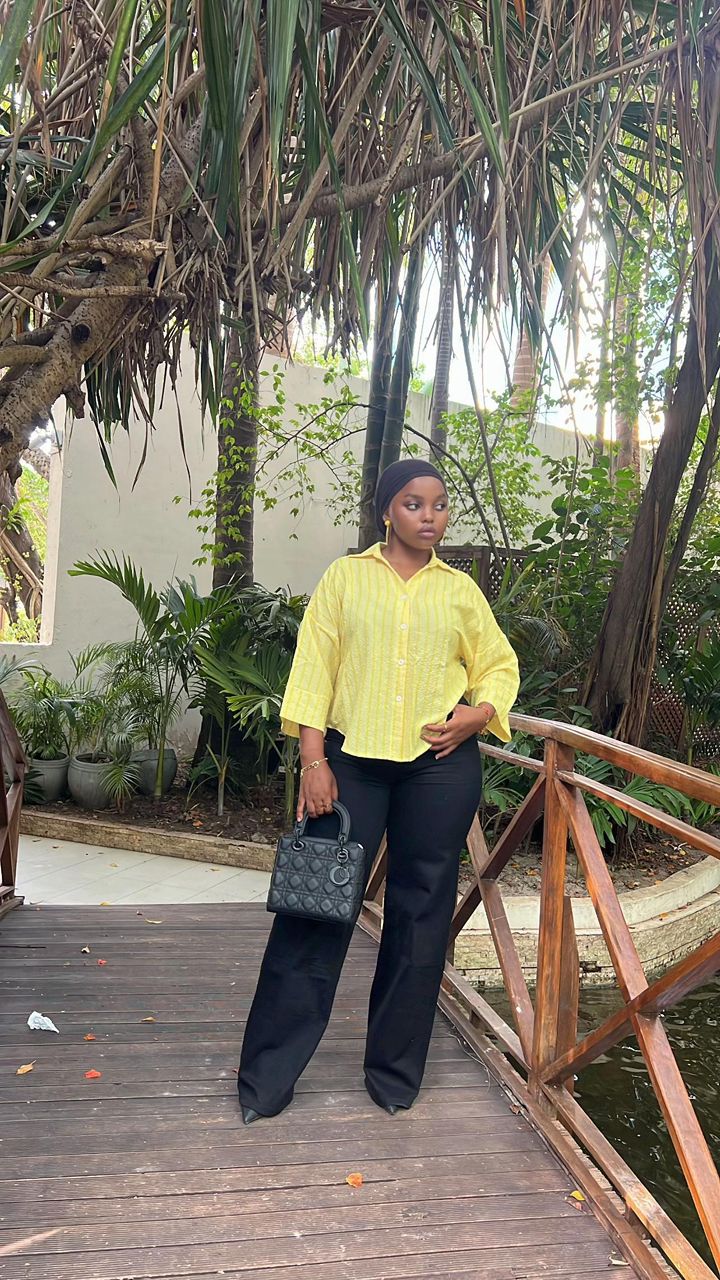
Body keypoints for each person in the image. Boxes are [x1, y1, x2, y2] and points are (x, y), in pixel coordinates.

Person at [237, 459, 519, 1123]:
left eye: (439, 505)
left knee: (420, 921)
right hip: (351, 765)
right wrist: (313, 760)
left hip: (439, 767)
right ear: (388, 510)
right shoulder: (345, 578)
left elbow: (499, 665)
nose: (430, 516)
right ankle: (266, 1081)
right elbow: (314, 670)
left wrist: (479, 714)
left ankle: (393, 1076)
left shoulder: (459, 591)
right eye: (414, 504)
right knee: (316, 912)